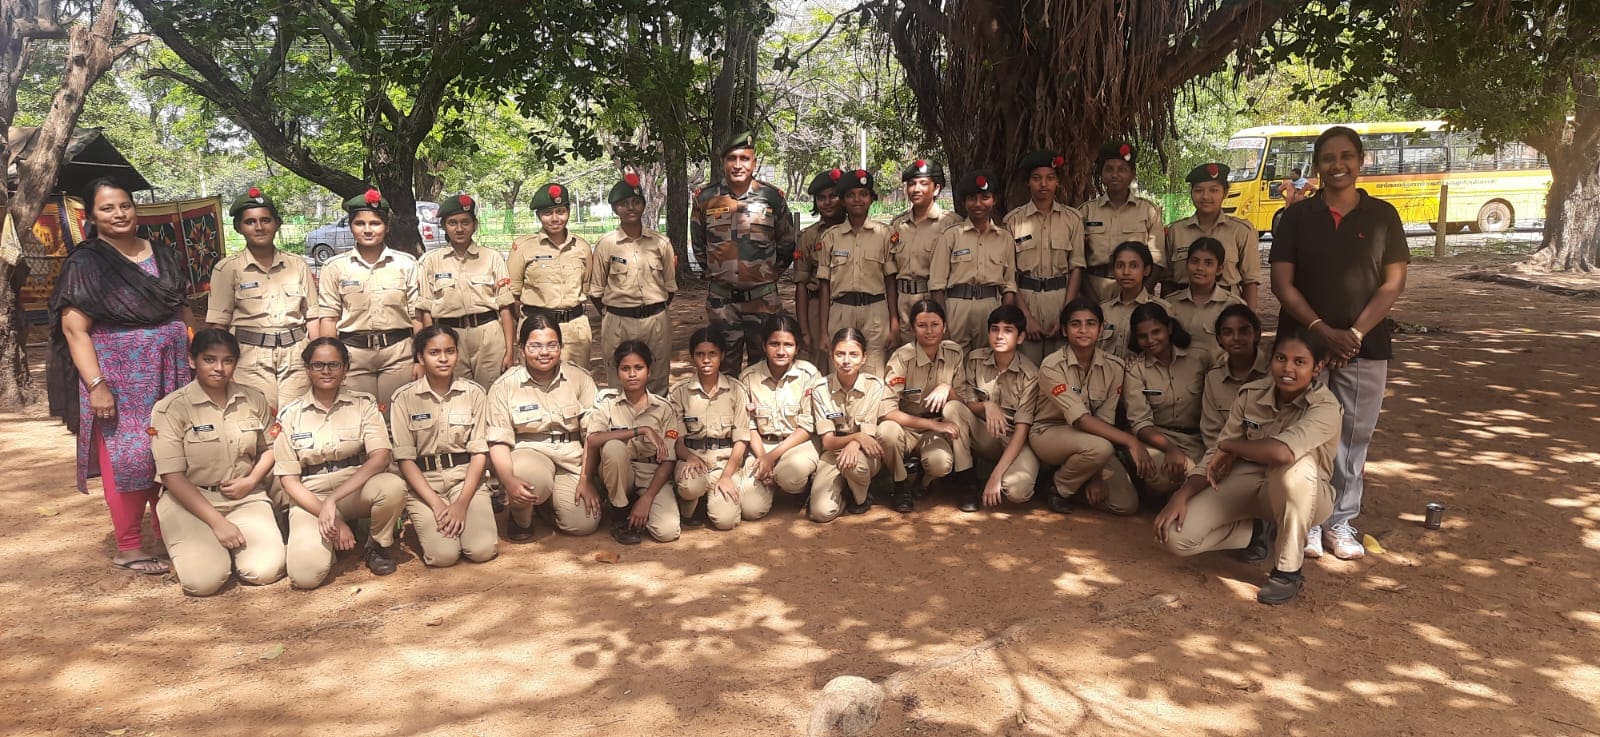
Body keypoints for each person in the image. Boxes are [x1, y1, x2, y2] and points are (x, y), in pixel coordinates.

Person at [1271, 125, 1409, 561]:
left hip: (1364, 347)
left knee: (1353, 435)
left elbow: (1392, 283)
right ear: (1317, 165)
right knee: (1302, 430)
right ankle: (1309, 519)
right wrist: (1320, 330)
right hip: (1302, 348)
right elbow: (1281, 282)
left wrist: (1353, 335)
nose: (1338, 165)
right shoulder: (1297, 218)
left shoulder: (1382, 216)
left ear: (1361, 161)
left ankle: (1340, 521)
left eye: (1347, 156)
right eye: (1328, 158)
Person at [50, 177, 193, 575]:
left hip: (173, 368)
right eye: (108, 208)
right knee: (129, 456)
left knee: (174, 449)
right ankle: (129, 546)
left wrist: (194, 350)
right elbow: (74, 330)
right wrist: (96, 385)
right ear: (92, 216)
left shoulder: (162, 252)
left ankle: (173, 535)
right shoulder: (86, 263)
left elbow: (181, 307)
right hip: (118, 376)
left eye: (125, 205)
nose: (119, 214)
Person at [1154, 326, 1342, 605]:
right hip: (1249, 480)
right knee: (1177, 537)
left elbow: (1280, 453)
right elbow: (1216, 453)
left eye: (1300, 362)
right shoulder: (1251, 394)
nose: (1287, 368)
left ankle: (1287, 571)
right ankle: (1254, 532)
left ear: (1318, 368)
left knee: (1295, 468)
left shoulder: (1325, 407)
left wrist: (1232, 447)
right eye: (1281, 358)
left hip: (1306, 495)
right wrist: (1182, 494)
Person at [151, 329, 285, 595]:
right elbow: (171, 476)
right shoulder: (171, 408)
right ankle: (207, 551)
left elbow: (271, 448)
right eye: (209, 360)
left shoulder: (253, 399)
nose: (219, 368)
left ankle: (230, 551)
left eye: (228, 361)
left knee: (264, 571)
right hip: (190, 501)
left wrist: (251, 480)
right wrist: (218, 523)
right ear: (192, 360)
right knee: (204, 582)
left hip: (245, 498)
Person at [273, 337, 408, 588]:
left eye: (334, 364)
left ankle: (376, 545)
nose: (326, 371)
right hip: (311, 496)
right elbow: (289, 480)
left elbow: (380, 457)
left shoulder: (363, 404)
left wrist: (333, 500)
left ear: (345, 368)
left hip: (353, 489)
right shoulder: (291, 415)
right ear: (308, 369)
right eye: (318, 365)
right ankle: (331, 542)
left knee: (392, 486)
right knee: (305, 576)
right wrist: (332, 517)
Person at [389, 326, 498, 567]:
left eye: (450, 351)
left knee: (481, 551)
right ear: (420, 357)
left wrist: (461, 504)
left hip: (464, 481)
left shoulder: (474, 393)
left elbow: (479, 452)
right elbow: (405, 459)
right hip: (425, 485)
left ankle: (466, 518)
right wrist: (437, 504)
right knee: (443, 556)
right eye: (434, 352)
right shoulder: (403, 398)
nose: (443, 358)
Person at [487, 313, 600, 540]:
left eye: (552, 345)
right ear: (522, 349)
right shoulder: (505, 386)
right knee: (531, 477)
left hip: (571, 458)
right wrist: (508, 480)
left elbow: (594, 435)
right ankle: (521, 518)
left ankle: (546, 506)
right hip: (529, 454)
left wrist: (586, 479)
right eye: (535, 346)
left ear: (561, 347)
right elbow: (498, 441)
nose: (544, 352)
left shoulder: (580, 378)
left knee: (583, 524)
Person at [1029, 299, 1146, 515]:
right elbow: (1081, 419)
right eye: (1075, 324)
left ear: (1101, 329)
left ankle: (1074, 482)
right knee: (1100, 448)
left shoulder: (1114, 367)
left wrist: (1095, 474)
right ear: (1064, 330)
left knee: (1125, 504)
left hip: (1093, 440)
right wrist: (1131, 440)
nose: (1083, 330)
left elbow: (1105, 420)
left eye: (1091, 323)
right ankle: (1058, 486)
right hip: (1049, 432)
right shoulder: (1051, 366)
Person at [693, 131, 797, 373]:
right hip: (722, 304)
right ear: (723, 162)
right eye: (732, 158)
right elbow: (699, 246)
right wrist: (721, 273)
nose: (738, 165)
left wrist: (766, 275)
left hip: (763, 301)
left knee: (765, 369)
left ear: (754, 163)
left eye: (744, 158)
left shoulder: (771, 197)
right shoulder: (706, 198)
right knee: (724, 369)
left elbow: (786, 244)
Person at [206, 186, 318, 407]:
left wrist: (318, 358)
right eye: (250, 222)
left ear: (277, 223)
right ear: (239, 227)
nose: (259, 227)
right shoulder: (227, 269)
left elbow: (313, 317)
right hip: (250, 358)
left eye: (266, 220)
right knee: (259, 416)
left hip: (296, 355)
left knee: (297, 416)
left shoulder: (297, 265)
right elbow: (218, 325)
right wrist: (220, 365)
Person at [315, 188, 421, 408]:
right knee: (357, 414)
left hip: (398, 354)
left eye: (375, 223)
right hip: (353, 355)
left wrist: (420, 359)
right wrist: (331, 363)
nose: (367, 230)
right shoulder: (335, 267)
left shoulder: (406, 264)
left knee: (396, 414)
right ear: (351, 226)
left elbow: (416, 315)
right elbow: (329, 317)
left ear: (387, 226)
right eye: (360, 223)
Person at [580, 341, 683, 545]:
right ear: (617, 372)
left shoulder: (664, 408)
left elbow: (669, 459)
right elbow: (593, 440)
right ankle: (619, 515)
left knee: (667, 532)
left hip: (651, 474)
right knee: (614, 447)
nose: (632, 374)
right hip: (619, 473)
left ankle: (638, 501)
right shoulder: (607, 402)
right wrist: (640, 430)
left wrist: (648, 498)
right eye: (625, 368)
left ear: (649, 370)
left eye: (638, 367)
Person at [414, 194, 515, 386]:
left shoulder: (492, 258)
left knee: (493, 391)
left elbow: (505, 308)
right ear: (444, 226)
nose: (459, 228)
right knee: (454, 392)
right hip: (448, 336)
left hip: (488, 336)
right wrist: (431, 347)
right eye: (452, 223)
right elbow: (426, 311)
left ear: (474, 225)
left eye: (465, 222)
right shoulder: (431, 261)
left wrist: (510, 351)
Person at [880, 300, 972, 512]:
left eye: (935, 324)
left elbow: (962, 404)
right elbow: (887, 411)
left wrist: (947, 388)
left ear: (944, 327)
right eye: (922, 325)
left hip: (936, 429)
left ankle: (924, 481)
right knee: (886, 432)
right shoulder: (902, 358)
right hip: (905, 426)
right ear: (912, 329)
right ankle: (900, 485)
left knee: (940, 464)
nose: (929, 331)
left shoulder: (954, 353)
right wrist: (932, 425)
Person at [670, 327, 764, 531]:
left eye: (712, 354)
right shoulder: (679, 392)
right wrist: (689, 457)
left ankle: (711, 497)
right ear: (693, 357)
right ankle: (691, 501)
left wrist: (727, 475)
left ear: (722, 355)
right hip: (693, 460)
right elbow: (676, 439)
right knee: (690, 487)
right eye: (700, 354)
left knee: (726, 521)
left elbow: (741, 440)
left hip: (724, 462)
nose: (706, 360)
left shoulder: (736, 390)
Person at [589, 173, 675, 394]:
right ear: (614, 209)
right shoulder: (606, 244)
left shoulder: (661, 243)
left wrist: (653, 309)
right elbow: (596, 291)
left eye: (636, 202)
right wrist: (614, 314)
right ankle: (622, 417)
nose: (630, 208)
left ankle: (657, 415)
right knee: (620, 377)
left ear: (644, 205)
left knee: (657, 376)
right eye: (623, 203)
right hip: (618, 321)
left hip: (656, 320)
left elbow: (669, 287)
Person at [950, 305, 1041, 509]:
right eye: (994, 329)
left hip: (1015, 440)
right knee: (953, 409)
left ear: (1020, 337)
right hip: (986, 436)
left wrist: (995, 477)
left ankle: (1022, 476)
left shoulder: (1030, 374)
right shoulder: (975, 360)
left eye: (1008, 330)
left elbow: (1022, 430)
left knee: (1017, 492)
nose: (999, 336)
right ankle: (967, 483)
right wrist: (987, 405)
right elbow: (966, 404)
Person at [1004, 149, 1085, 366]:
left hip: (1061, 298)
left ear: (1057, 182)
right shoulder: (1013, 221)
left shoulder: (1072, 219)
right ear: (1028, 183)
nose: (1043, 184)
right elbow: (1009, 274)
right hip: (1026, 299)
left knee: (1060, 368)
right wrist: (1026, 318)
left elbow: (1077, 268)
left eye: (1050, 178)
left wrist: (1065, 314)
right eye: (1036, 178)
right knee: (1026, 368)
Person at [809, 328, 896, 521]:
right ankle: (844, 492)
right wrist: (856, 437)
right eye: (840, 354)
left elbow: (868, 436)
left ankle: (861, 498)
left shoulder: (875, 386)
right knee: (821, 513)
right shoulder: (820, 388)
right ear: (831, 356)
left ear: (864, 358)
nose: (846, 361)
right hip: (833, 452)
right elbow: (828, 442)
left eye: (854, 354)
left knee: (853, 467)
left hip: (866, 453)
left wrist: (856, 443)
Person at [818, 169, 897, 378]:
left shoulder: (884, 234)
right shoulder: (831, 237)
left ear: (871, 199)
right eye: (850, 195)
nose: (857, 199)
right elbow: (824, 287)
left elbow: (890, 281)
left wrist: (894, 323)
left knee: (873, 372)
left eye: (863, 194)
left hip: (875, 312)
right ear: (843, 201)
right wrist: (823, 331)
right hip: (841, 310)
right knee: (841, 370)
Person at [1123, 303, 1209, 496]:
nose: (1151, 340)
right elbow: (1140, 422)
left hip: (1196, 439)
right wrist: (1170, 449)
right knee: (1163, 475)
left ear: (1169, 328)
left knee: (1203, 475)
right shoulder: (1136, 369)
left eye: (1156, 332)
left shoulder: (1200, 358)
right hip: (1158, 438)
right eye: (1143, 336)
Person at [740, 314, 823, 514]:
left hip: (798, 444)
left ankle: (802, 484)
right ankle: (773, 481)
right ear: (764, 345)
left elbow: (807, 427)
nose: (781, 351)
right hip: (762, 445)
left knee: (790, 476)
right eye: (774, 344)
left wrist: (771, 458)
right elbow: (749, 425)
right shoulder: (748, 377)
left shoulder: (809, 375)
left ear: (797, 347)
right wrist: (763, 457)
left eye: (788, 345)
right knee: (750, 510)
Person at [507, 182, 594, 369]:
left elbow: (586, 287)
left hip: (575, 329)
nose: (555, 219)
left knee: (577, 379)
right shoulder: (523, 247)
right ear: (539, 216)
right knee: (535, 381)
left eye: (560, 212)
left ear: (569, 211)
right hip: (536, 328)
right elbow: (513, 295)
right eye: (547, 213)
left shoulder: (582, 247)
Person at [930, 170, 1017, 352]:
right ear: (964, 202)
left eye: (985, 197)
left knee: (988, 360)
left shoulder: (1005, 238)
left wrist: (1004, 319)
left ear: (994, 200)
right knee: (953, 358)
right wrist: (942, 322)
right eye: (972, 198)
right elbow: (937, 286)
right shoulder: (950, 236)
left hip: (991, 307)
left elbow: (1009, 285)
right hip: (956, 309)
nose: (978, 204)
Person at [1164, 163, 1261, 309]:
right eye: (1199, 190)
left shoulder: (1241, 231)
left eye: (1214, 190)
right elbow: (1167, 281)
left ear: (1225, 193)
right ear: (1191, 193)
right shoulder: (1176, 231)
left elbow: (1250, 282)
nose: (1205, 196)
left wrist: (1250, 318)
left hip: (1227, 310)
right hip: (1183, 310)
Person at [889, 159, 960, 346]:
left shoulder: (951, 224)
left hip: (934, 299)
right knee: (907, 355)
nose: (916, 189)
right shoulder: (898, 225)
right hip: (903, 302)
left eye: (923, 183)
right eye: (911, 184)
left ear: (936, 189)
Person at [1080, 141, 1164, 300]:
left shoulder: (1148, 211)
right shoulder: (1086, 212)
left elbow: (1158, 261)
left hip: (1135, 289)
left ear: (1132, 173)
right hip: (1095, 288)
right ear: (1101, 174)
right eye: (1109, 169)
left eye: (1122, 169)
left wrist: (1141, 296)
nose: (1115, 175)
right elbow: (1078, 260)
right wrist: (1091, 299)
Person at [794, 169, 845, 365]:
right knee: (820, 362)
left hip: (847, 305)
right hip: (816, 308)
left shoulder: (857, 232)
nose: (827, 202)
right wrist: (804, 331)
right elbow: (801, 284)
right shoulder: (808, 236)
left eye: (833, 196)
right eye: (821, 198)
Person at [1201, 304, 1269, 449]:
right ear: (1219, 339)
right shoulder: (1214, 378)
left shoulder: (1273, 373)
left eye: (1244, 331)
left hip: (1266, 453)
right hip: (1223, 455)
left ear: (1256, 334)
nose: (1236, 338)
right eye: (1228, 333)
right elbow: (1211, 433)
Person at [1166, 237, 1245, 360]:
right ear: (1187, 264)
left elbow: (1243, 351)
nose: (1199, 268)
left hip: (1218, 371)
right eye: (1194, 261)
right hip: (1176, 371)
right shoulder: (1169, 304)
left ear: (1219, 269)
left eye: (1208, 263)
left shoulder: (1233, 306)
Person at [1098, 241, 1171, 361]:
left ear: (1146, 270)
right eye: (1120, 266)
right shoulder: (1102, 310)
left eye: (1134, 266)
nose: (1126, 272)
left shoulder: (1162, 309)